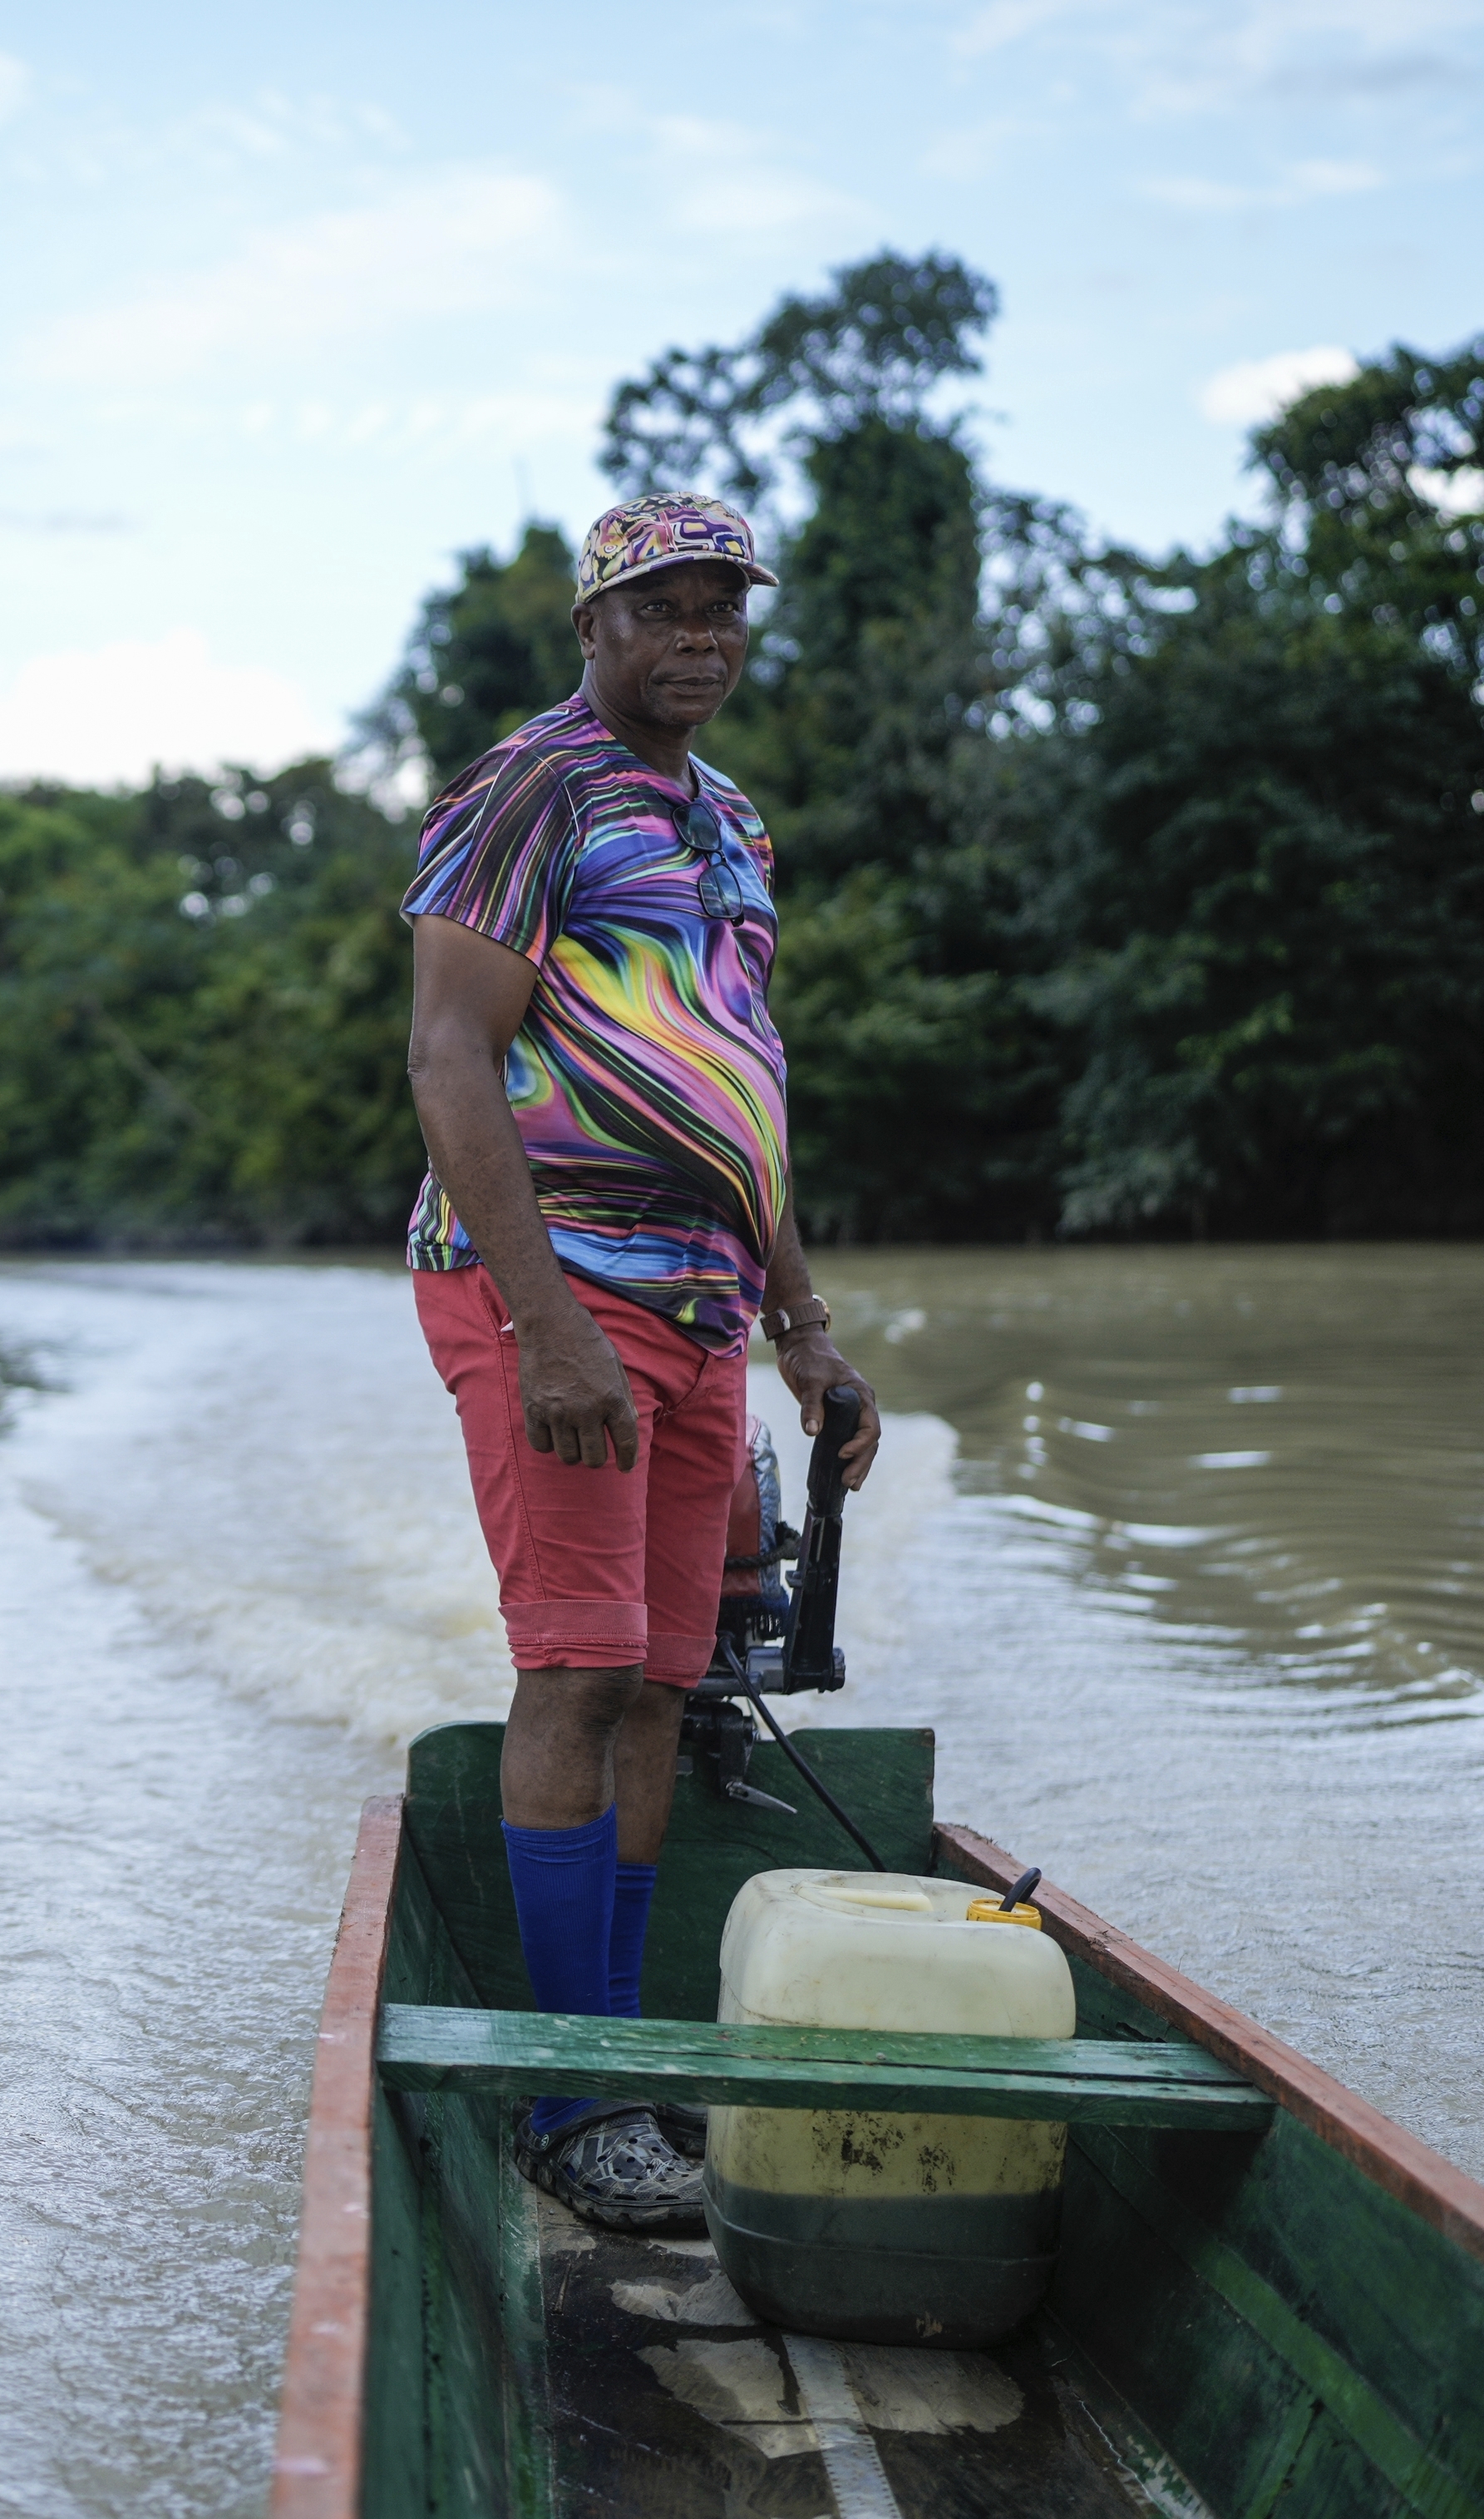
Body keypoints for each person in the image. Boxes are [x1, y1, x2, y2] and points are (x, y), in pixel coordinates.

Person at [400, 490, 881, 2231]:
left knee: (670, 1686)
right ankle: (570, 2094)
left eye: (722, 610)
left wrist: (806, 1333)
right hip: (557, 1288)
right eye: (662, 609)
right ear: (594, 628)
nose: (699, 638)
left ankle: (614, 2064)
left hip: (698, 1301)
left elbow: (741, 1085)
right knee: (582, 1674)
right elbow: (451, 1058)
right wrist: (543, 1328)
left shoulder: (734, 819)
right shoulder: (531, 786)